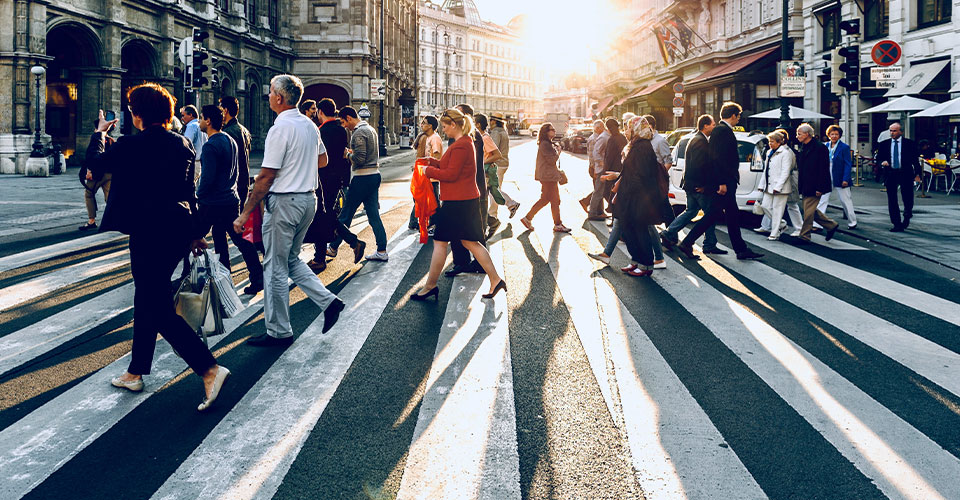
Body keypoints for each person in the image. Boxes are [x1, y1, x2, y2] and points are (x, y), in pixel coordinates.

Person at [85, 84, 229, 411]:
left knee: (157, 306)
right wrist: (195, 233)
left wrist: (99, 132)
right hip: (177, 229)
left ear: (137, 115)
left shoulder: (132, 144)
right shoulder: (183, 143)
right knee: (148, 296)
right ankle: (135, 371)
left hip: (148, 231)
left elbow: (94, 161)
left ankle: (209, 368)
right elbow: (188, 191)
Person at [233, 74, 345, 346]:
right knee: (291, 260)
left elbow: (266, 176)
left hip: (285, 202)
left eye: (270, 92)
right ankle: (328, 302)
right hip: (308, 200)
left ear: (279, 98)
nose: (268, 96)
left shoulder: (279, 129)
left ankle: (278, 331)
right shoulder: (309, 125)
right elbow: (323, 160)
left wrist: (245, 212)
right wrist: (299, 166)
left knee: (274, 268)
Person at [411, 108, 506, 301]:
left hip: (458, 202)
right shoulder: (463, 142)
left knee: (440, 241)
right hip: (463, 200)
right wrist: (432, 162)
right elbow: (450, 167)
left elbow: (451, 174)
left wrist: (429, 171)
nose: (443, 130)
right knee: (469, 241)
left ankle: (430, 286)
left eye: (445, 126)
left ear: (454, 125)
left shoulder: (462, 145)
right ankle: (496, 280)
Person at [676, 102, 764, 260]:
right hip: (725, 181)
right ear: (733, 116)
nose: (739, 119)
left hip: (726, 180)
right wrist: (722, 182)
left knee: (729, 214)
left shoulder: (721, 130)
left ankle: (740, 249)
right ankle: (688, 242)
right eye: (738, 116)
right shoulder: (723, 131)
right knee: (715, 214)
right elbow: (718, 158)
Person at [196, 104, 264, 293]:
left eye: (201, 118)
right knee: (237, 239)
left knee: (192, 237)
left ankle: (187, 278)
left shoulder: (210, 146)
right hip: (230, 199)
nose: (200, 121)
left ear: (208, 121)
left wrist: (198, 195)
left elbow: (207, 178)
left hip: (211, 202)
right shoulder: (229, 140)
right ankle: (256, 276)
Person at [327, 105, 389, 262]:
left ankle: (333, 247)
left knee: (346, 214)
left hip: (362, 178)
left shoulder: (359, 133)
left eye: (343, 122)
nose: (344, 126)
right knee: (374, 215)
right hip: (374, 175)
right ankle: (382, 250)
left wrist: (348, 154)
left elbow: (360, 159)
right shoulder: (370, 129)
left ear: (348, 118)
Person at [611, 117, 666, 277]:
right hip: (632, 195)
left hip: (639, 197)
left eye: (628, 128)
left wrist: (628, 192)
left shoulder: (642, 147)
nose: (625, 131)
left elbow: (640, 174)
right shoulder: (636, 145)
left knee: (639, 231)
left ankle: (646, 265)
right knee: (629, 230)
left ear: (636, 129)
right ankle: (636, 260)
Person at [660, 114, 722, 255]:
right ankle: (709, 244)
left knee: (691, 211)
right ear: (705, 126)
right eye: (712, 124)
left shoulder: (694, 138)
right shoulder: (701, 141)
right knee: (709, 214)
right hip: (698, 186)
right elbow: (698, 165)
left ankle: (669, 232)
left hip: (690, 183)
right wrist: (703, 186)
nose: (714, 126)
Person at [444, 103, 490, 277]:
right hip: (467, 188)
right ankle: (465, 262)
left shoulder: (469, 136)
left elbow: (458, 165)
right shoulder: (464, 135)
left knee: (473, 229)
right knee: (464, 229)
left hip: (470, 189)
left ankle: (476, 263)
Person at [306, 98, 351, 272]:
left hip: (323, 179)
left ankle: (320, 257)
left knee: (322, 217)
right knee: (327, 215)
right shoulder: (342, 131)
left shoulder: (320, 131)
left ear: (321, 112)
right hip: (336, 178)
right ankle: (351, 241)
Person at [520, 123, 571, 233]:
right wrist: (558, 152)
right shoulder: (545, 144)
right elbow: (551, 160)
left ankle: (528, 218)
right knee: (554, 200)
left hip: (548, 176)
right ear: (546, 132)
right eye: (552, 130)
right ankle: (556, 224)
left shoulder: (547, 143)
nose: (554, 131)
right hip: (548, 177)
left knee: (548, 199)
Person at [795, 123, 839, 242]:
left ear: (807, 134)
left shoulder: (820, 148)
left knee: (808, 212)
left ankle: (804, 235)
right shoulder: (804, 146)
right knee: (810, 210)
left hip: (815, 184)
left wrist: (820, 187)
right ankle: (831, 225)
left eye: (799, 134)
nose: (797, 136)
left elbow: (823, 169)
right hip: (806, 183)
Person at [875, 122, 921, 231]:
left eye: (894, 131)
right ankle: (896, 223)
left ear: (901, 131)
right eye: (890, 131)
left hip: (905, 173)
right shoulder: (884, 144)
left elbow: (915, 161)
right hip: (891, 173)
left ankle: (907, 214)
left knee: (907, 197)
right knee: (892, 199)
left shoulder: (909, 144)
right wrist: (882, 162)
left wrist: (918, 174)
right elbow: (878, 159)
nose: (892, 133)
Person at [407, 115, 443, 232]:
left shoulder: (435, 138)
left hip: (431, 176)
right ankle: (430, 223)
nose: (422, 125)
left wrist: (425, 168)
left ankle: (436, 225)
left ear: (430, 126)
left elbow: (436, 157)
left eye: (424, 123)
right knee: (424, 199)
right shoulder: (428, 137)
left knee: (434, 202)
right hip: (426, 175)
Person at [757, 130, 795, 241]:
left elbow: (785, 172)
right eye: (769, 141)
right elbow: (766, 171)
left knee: (778, 210)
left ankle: (774, 233)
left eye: (772, 141)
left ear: (779, 142)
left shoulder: (786, 153)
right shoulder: (770, 152)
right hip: (769, 186)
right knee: (765, 206)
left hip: (780, 188)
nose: (770, 143)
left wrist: (778, 187)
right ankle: (782, 224)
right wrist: (761, 184)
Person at [486, 112, 520, 233]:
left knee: (494, 190)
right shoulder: (503, 131)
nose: (489, 123)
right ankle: (497, 211)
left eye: (490, 121)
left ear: (494, 121)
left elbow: (493, 150)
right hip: (504, 163)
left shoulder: (495, 132)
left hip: (497, 164)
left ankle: (497, 212)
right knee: (495, 188)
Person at [474, 114, 506, 238]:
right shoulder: (479, 137)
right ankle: (491, 223)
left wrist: (481, 162)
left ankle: (491, 223)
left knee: (480, 202)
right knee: (478, 203)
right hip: (480, 173)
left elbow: (497, 155)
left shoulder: (485, 138)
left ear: (477, 125)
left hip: (485, 174)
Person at [79, 119, 113, 231]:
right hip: (110, 174)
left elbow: (90, 158)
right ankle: (112, 220)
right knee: (109, 197)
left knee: (89, 194)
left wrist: (88, 171)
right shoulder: (112, 141)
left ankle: (91, 221)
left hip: (96, 174)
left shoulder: (96, 139)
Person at [220, 96, 253, 210]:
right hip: (244, 182)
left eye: (220, 108)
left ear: (225, 110)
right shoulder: (243, 130)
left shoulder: (227, 132)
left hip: (233, 185)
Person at [822, 125, 857, 229]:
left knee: (845, 200)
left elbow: (847, 164)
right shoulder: (825, 146)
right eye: (832, 134)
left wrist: (845, 179)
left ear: (840, 136)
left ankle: (852, 221)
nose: (834, 136)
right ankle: (817, 223)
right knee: (822, 199)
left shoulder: (844, 147)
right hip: (827, 175)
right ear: (828, 135)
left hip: (840, 175)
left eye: (836, 134)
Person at [581, 120, 608, 220]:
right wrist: (594, 169)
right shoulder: (594, 139)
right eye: (602, 127)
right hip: (595, 167)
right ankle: (587, 203)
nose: (604, 129)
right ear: (597, 128)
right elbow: (592, 156)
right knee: (599, 189)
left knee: (600, 188)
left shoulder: (598, 137)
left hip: (596, 167)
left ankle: (600, 211)